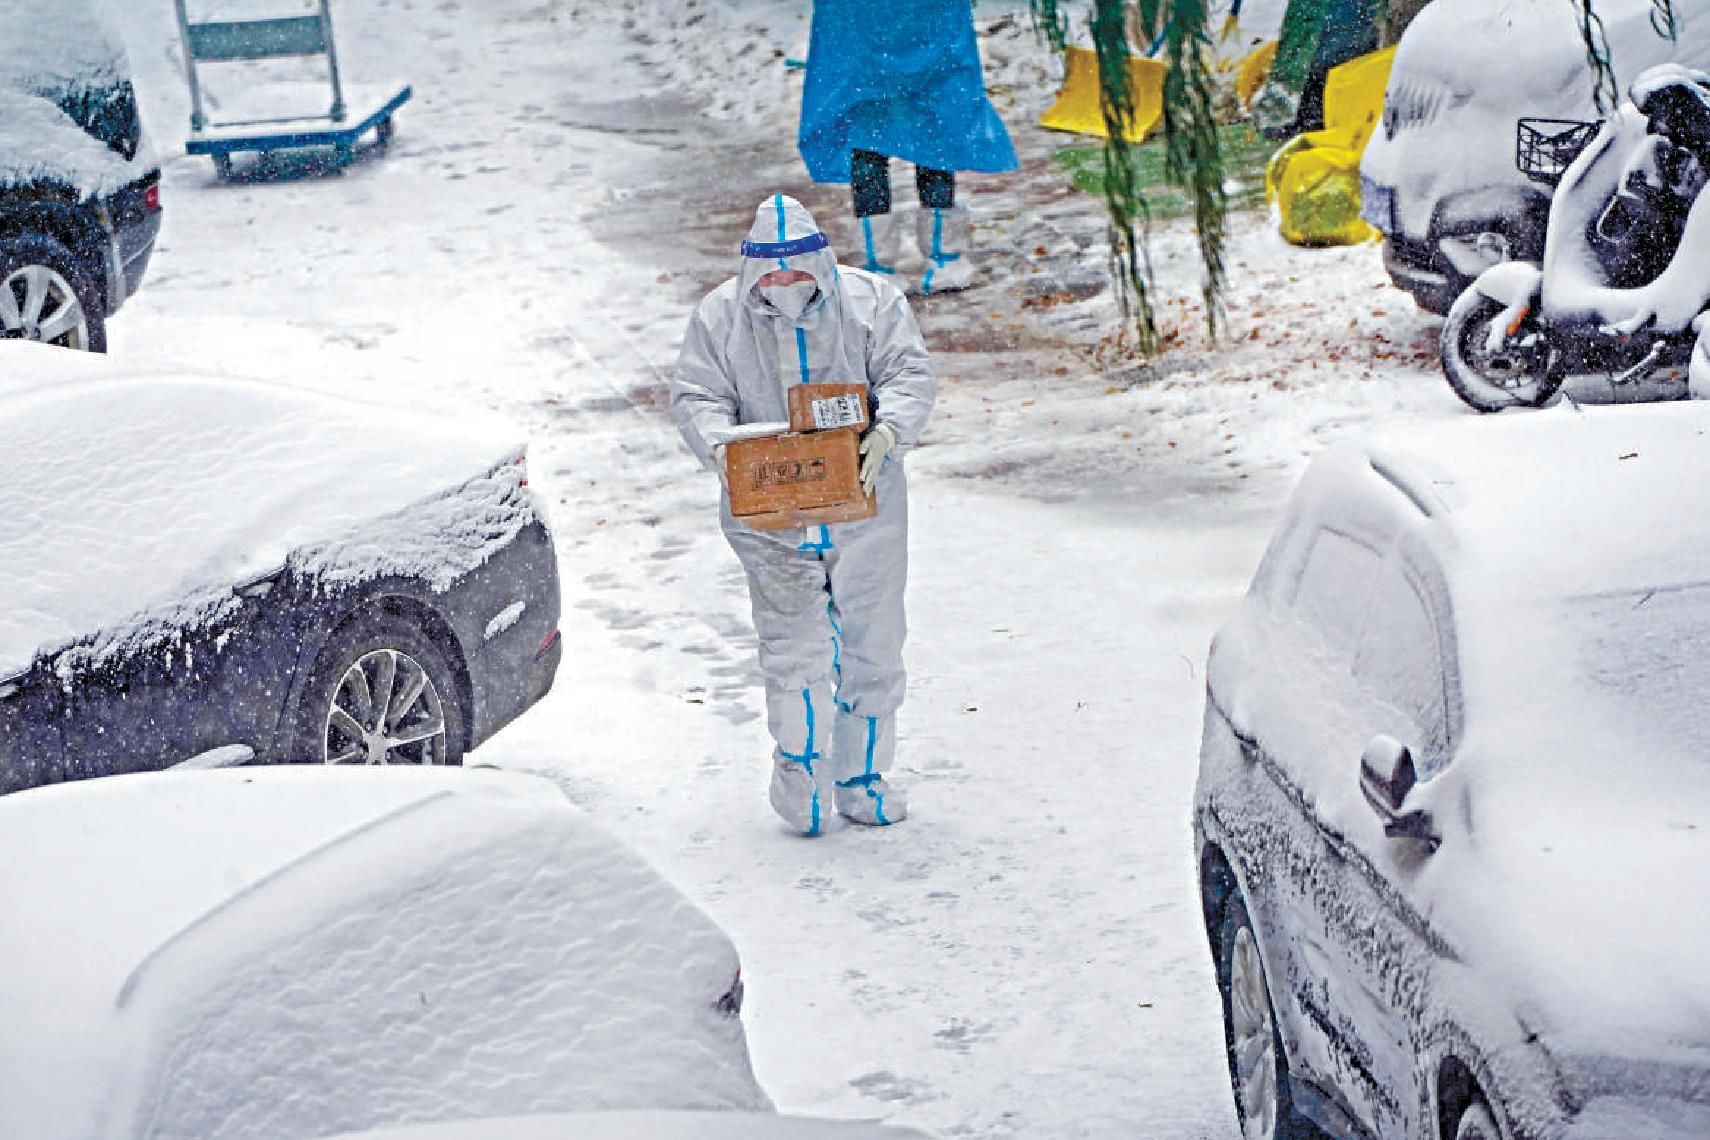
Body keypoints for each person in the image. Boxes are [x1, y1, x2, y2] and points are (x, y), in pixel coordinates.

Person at [670, 194, 935, 836]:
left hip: (865, 507)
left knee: (873, 642)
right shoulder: (720, 318)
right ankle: (800, 777)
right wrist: (728, 450)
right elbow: (698, 396)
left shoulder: (872, 304)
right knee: (795, 651)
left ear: (821, 265)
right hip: (769, 522)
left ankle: (860, 776)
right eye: (771, 273)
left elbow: (907, 372)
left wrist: (890, 430)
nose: (785, 285)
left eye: (798, 271)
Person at [797, 0, 1017, 294]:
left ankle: (878, 263)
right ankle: (944, 257)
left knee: (868, 138)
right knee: (932, 131)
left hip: (862, 31)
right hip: (926, 25)